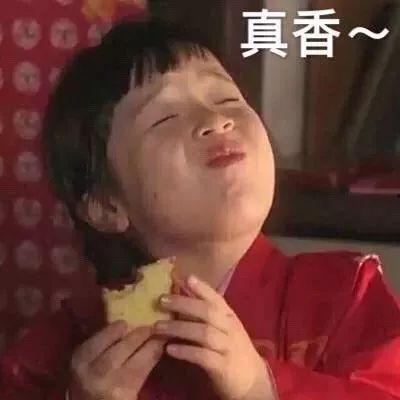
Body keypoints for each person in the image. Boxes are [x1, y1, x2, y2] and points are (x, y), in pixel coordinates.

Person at [1, 17, 399, 400]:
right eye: (166, 117)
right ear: (106, 204)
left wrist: (261, 386)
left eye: (228, 99)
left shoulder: (346, 293)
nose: (217, 119)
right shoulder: (73, 340)